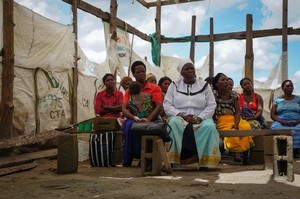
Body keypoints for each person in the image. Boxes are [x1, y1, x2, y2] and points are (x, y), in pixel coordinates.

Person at [163, 59, 221, 170]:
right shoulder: (174, 85)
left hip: (200, 116)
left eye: (191, 68)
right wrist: (180, 115)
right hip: (180, 116)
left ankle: (205, 162)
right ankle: (170, 160)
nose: (190, 70)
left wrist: (200, 117)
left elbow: (211, 105)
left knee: (209, 127)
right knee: (173, 124)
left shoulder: (204, 85)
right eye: (186, 68)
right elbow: (167, 105)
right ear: (181, 72)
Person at [122, 61, 163, 166]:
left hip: (152, 118)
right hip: (135, 117)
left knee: (151, 127)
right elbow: (124, 108)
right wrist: (133, 117)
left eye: (143, 71)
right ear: (134, 74)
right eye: (138, 72)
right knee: (129, 125)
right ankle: (129, 157)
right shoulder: (129, 91)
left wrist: (148, 119)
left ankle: (145, 157)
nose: (141, 74)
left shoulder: (155, 88)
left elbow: (158, 106)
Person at [213, 73, 254, 165]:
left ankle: (245, 159)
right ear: (216, 83)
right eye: (222, 80)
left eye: (226, 80)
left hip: (234, 118)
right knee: (229, 131)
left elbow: (238, 111)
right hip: (220, 119)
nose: (226, 82)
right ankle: (220, 156)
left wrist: (236, 123)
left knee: (245, 127)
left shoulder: (234, 95)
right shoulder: (213, 94)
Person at [270, 80, 300, 157]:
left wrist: (296, 122)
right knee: (275, 128)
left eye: (291, 86)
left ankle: (296, 150)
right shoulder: (278, 100)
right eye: (287, 86)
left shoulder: (298, 99)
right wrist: (281, 121)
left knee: (297, 129)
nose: (290, 87)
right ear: (282, 88)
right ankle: (283, 150)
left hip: (297, 120)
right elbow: (273, 115)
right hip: (281, 120)